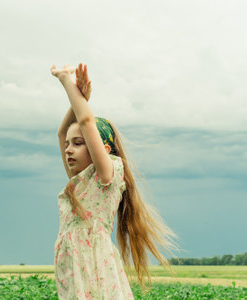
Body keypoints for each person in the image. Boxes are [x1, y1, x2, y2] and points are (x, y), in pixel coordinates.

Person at [51, 63, 180, 299]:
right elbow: (61, 133)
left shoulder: (106, 178)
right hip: (73, 274)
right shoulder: (80, 182)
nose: (68, 150)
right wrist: (77, 102)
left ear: (103, 150)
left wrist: (67, 82)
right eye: (69, 144)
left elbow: (87, 122)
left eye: (78, 143)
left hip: (95, 270)